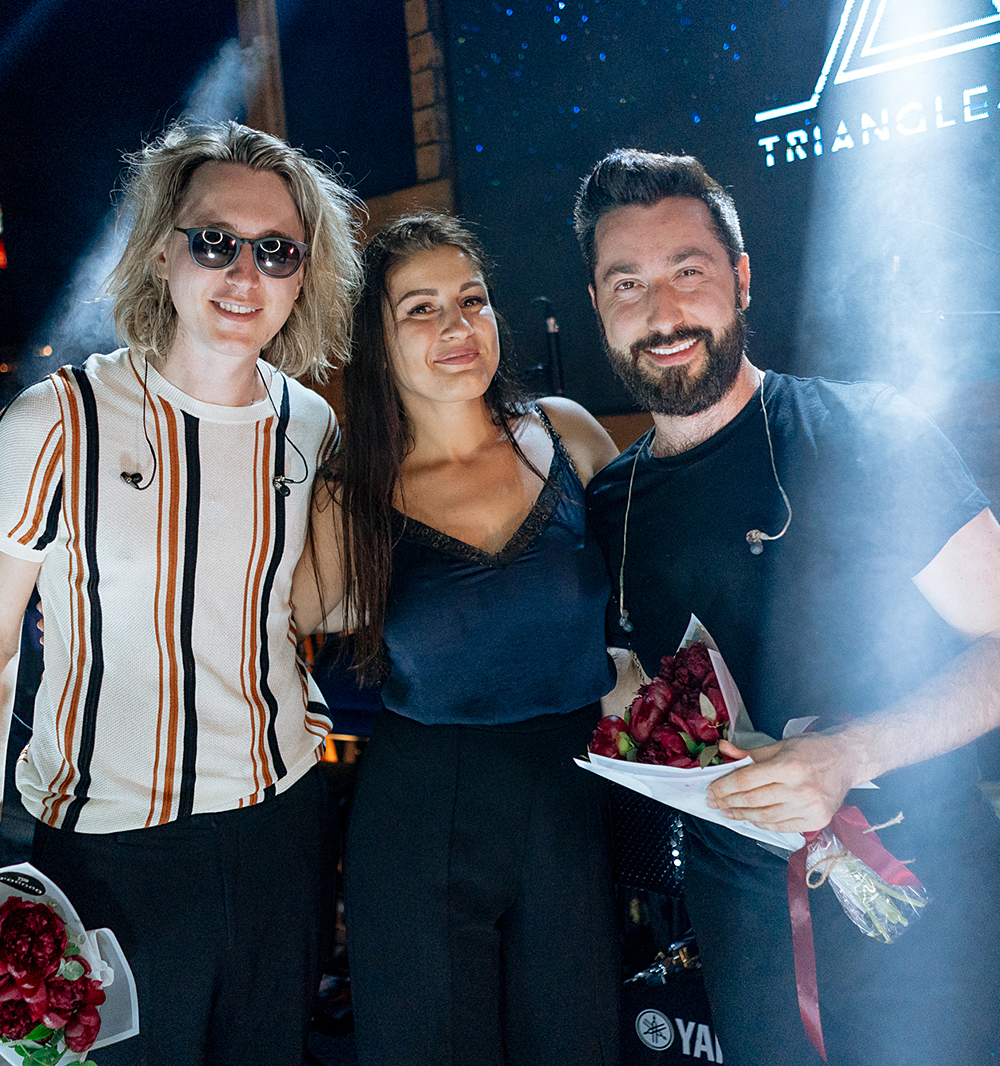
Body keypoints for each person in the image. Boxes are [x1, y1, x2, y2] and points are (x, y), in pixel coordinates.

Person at [575, 149, 1000, 1066]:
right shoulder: (611, 506)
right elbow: (633, 693)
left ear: (741, 278)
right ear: (598, 303)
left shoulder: (867, 432)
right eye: (628, 283)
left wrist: (847, 755)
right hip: (744, 930)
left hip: (924, 914)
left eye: (688, 271)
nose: (663, 312)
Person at [0, 120, 362, 1066]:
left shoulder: (312, 426)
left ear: (304, 277)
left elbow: (312, 611)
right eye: (215, 241)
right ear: (162, 251)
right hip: (109, 853)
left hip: (283, 828)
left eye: (277, 251)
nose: (244, 273)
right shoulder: (58, 420)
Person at [294, 213, 623, 1066]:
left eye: (472, 300)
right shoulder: (348, 497)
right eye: (421, 309)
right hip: (421, 820)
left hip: (574, 806)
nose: (456, 326)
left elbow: (655, 603)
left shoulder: (567, 435)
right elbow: (263, 635)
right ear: (379, 343)